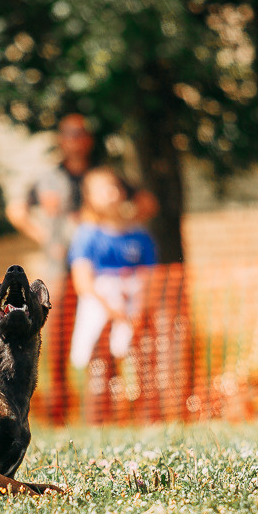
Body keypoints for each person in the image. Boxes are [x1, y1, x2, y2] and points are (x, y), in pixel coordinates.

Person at [5, 114, 156, 424]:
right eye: (69, 134)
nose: (75, 139)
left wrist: (122, 222)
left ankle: (107, 409)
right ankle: (60, 413)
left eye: (81, 133)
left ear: (88, 139)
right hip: (59, 270)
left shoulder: (103, 175)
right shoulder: (48, 177)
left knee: (106, 338)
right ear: (61, 139)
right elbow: (16, 210)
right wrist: (46, 237)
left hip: (99, 273)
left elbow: (147, 202)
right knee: (57, 340)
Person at [67, 167, 158, 424]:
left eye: (115, 186)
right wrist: (109, 309)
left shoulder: (140, 236)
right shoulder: (87, 235)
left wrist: (140, 311)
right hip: (99, 311)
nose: (111, 193)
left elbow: (151, 278)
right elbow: (83, 280)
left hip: (134, 310)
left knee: (140, 367)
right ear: (89, 197)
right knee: (99, 369)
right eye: (103, 188)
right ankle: (97, 424)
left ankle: (144, 421)